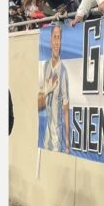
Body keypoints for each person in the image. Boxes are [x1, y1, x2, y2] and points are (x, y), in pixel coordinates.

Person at [38, 23, 70, 153]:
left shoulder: (63, 72)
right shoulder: (45, 66)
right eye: (54, 37)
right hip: (45, 139)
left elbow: (66, 110)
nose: (57, 42)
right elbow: (38, 105)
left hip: (57, 141)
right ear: (50, 40)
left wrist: (67, 142)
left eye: (59, 38)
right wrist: (47, 90)